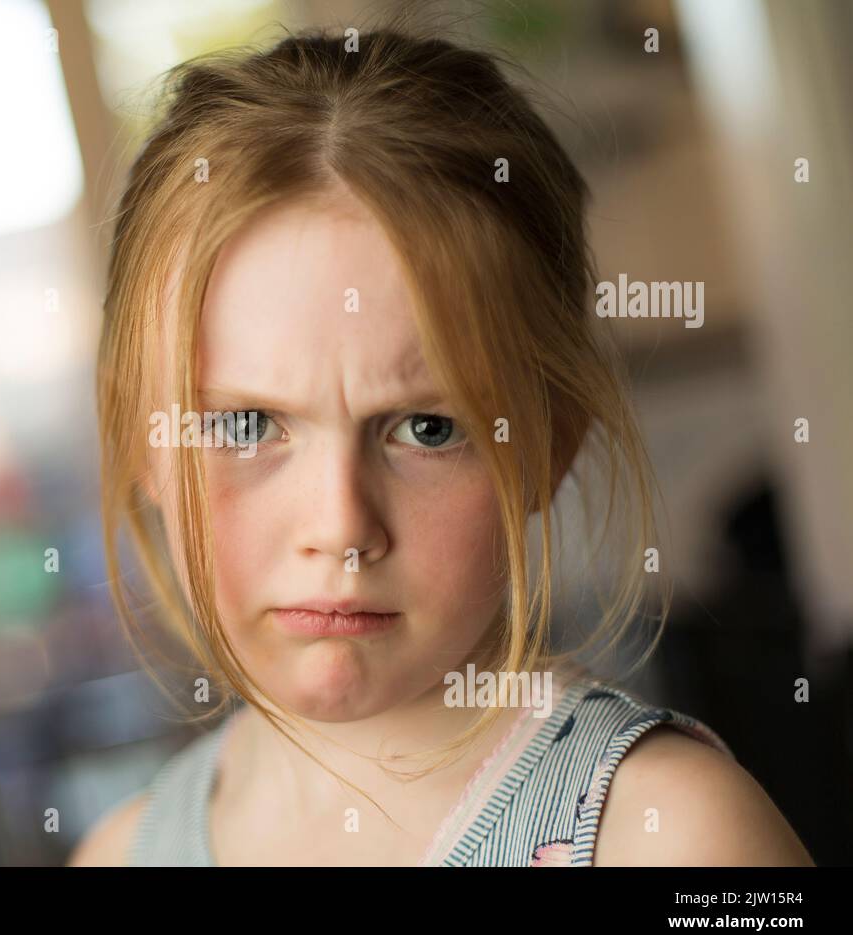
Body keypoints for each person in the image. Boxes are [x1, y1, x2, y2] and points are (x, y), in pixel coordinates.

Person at [70, 23, 812, 866]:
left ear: (547, 446)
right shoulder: (121, 853)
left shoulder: (671, 835)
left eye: (428, 428)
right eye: (244, 425)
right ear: (144, 447)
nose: (342, 527)